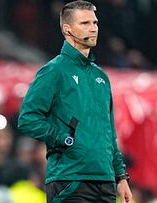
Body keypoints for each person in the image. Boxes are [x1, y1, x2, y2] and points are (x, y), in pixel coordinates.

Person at [18, 1, 133, 203]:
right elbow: (27, 118)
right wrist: (63, 138)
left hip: (105, 182)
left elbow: (109, 134)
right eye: (85, 23)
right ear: (67, 29)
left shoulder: (101, 77)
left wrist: (121, 177)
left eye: (95, 22)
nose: (93, 28)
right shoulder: (54, 70)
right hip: (70, 179)